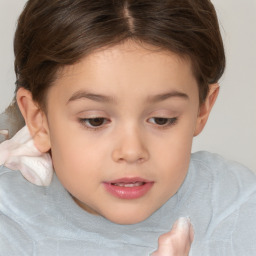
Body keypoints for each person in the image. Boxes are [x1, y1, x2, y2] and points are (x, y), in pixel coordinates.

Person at [0, 0, 255, 255]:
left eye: (162, 119)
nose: (132, 151)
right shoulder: (8, 224)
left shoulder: (238, 208)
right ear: (38, 119)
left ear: (202, 109)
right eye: (95, 120)